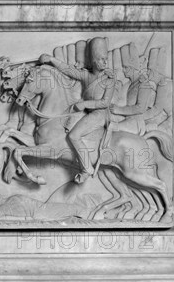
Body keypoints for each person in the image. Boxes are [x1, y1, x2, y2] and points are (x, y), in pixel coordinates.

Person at [39, 37, 116, 184]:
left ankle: (87, 168)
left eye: (106, 59)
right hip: (87, 112)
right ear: (94, 61)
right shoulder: (86, 75)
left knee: (74, 135)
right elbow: (68, 70)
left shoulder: (109, 80)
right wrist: (51, 59)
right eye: (101, 59)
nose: (105, 62)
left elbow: (105, 102)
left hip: (100, 114)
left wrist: (85, 103)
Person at [109, 44, 159, 135]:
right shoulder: (130, 83)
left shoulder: (144, 83)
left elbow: (140, 108)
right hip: (128, 119)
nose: (123, 70)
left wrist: (119, 110)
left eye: (125, 67)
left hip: (136, 124)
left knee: (111, 127)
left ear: (133, 67)